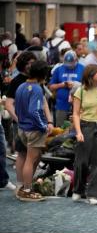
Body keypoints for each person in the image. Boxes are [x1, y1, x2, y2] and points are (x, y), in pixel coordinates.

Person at [72, 64, 97, 205]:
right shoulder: (80, 91)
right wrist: (78, 132)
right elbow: (76, 114)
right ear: (89, 75)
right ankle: (78, 189)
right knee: (82, 161)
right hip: (85, 126)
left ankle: (94, 194)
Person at [14, 60, 53, 201]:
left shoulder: (21, 86)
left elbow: (17, 108)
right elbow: (34, 111)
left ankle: (24, 188)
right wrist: (44, 125)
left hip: (22, 128)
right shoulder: (37, 89)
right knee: (30, 160)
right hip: (34, 129)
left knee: (27, 159)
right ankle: (27, 190)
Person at [48, 50, 85, 127]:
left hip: (78, 104)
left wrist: (76, 85)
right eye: (67, 64)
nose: (69, 66)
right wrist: (63, 85)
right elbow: (51, 87)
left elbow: (88, 86)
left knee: (77, 127)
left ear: (76, 60)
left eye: (71, 64)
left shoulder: (83, 68)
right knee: (60, 127)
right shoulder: (59, 69)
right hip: (61, 104)